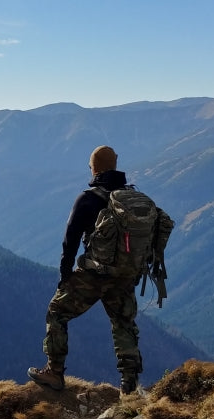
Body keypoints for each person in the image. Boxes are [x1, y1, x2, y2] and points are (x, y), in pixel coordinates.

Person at [28, 145, 172, 395]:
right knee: (123, 324)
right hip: (125, 275)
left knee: (57, 312)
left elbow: (70, 239)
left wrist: (65, 275)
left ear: (94, 167)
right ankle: (129, 384)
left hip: (94, 275)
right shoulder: (133, 199)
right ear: (115, 166)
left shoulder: (88, 198)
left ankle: (54, 372)